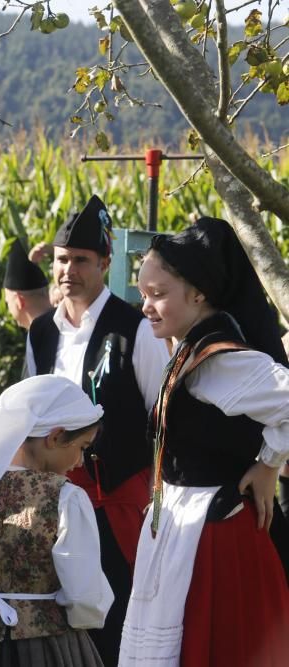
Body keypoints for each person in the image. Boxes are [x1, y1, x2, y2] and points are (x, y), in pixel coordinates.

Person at [120, 218, 289, 666]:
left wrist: (270, 461)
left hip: (212, 533)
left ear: (198, 294)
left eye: (158, 295)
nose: (146, 307)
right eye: (143, 294)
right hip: (183, 525)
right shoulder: (189, 349)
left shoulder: (221, 361)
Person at [25, 195, 170, 666]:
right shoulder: (41, 330)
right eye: (63, 259)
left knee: (115, 618)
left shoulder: (137, 330)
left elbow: (162, 420)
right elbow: (30, 411)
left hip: (116, 504)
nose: (69, 270)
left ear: (105, 263)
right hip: (54, 499)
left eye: (82, 260)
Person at [0, 376, 113, 667]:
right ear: (55, 437)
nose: (81, 461)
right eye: (82, 447)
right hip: (45, 645)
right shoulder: (65, 497)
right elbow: (84, 595)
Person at [3, 238, 52, 331]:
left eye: (8, 303)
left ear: (19, 301)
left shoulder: (39, 337)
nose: (9, 311)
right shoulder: (72, 322)